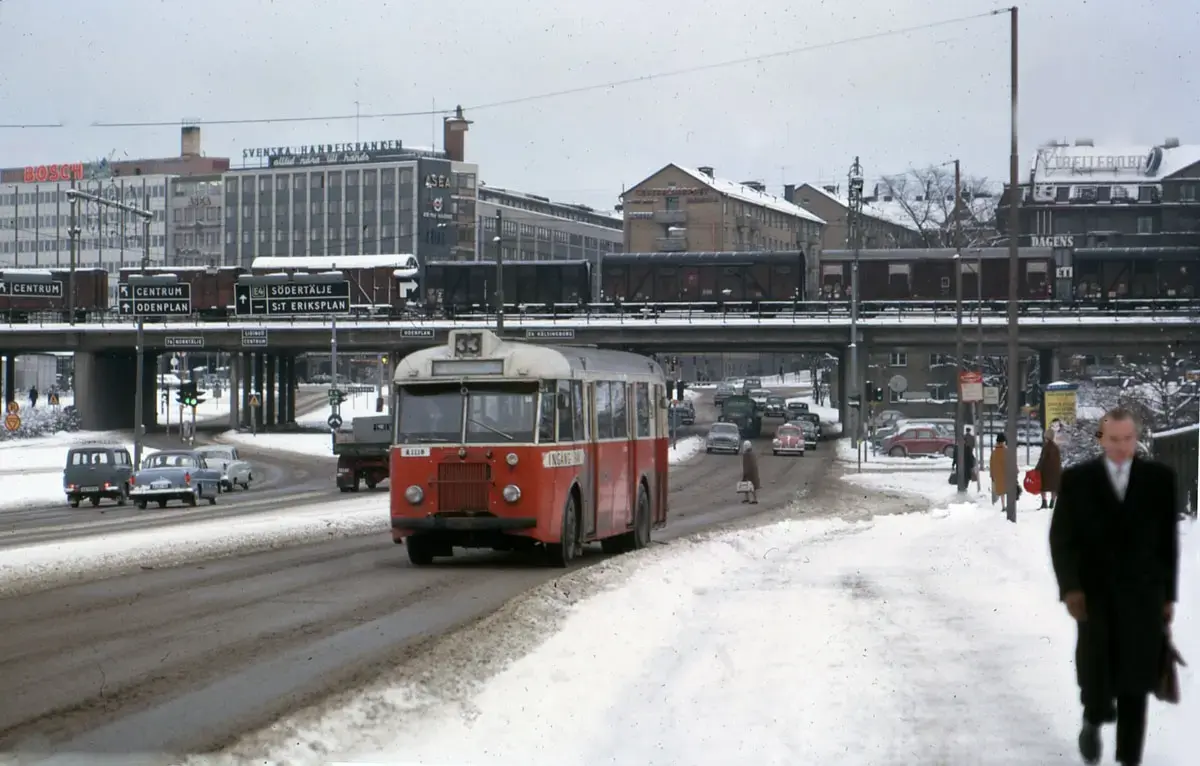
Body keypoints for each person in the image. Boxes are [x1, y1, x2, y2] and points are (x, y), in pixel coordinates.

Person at [1048, 407, 1180, 766]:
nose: (1122, 447)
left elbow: (1168, 542)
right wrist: (1071, 588)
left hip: (1143, 595)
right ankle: (1093, 719)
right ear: (1101, 440)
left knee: (1136, 678)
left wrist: (1168, 595)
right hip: (1094, 595)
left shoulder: (1158, 480)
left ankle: (1128, 758)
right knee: (1096, 670)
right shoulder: (1078, 480)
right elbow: (1062, 539)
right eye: (1114, 440)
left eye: (1128, 439)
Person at [1035, 426, 1063, 509]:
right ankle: (1052, 502)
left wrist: (1037, 468)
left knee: (1042, 487)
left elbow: (1042, 459)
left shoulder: (1046, 447)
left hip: (1046, 471)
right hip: (1055, 471)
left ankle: (1044, 503)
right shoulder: (1056, 447)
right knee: (1053, 487)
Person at [989, 432, 1008, 506]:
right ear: (1003, 442)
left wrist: (992, 475)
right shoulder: (1006, 451)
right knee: (1009, 490)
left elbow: (991, 464)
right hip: (1007, 474)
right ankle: (1009, 505)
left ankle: (1003, 505)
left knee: (1002, 491)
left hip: (998, 475)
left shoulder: (994, 452)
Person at [740, 440, 759, 504]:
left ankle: (754, 499)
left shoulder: (746, 454)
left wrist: (745, 473)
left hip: (749, 471)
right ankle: (748, 498)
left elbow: (746, 464)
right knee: (748, 484)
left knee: (750, 485)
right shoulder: (752, 453)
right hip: (753, 471)